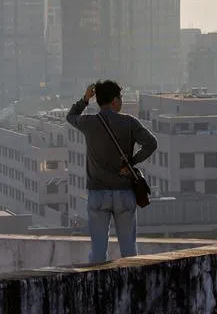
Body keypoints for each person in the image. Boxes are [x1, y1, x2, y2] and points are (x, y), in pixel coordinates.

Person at [66, 79, 158, 263]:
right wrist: (131, 163)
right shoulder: (129, 122)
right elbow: (151, 143)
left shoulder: (89, 122)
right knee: (129, 252)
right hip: (124, 192)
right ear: (115, 101)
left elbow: (71, 116)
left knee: (98, 252)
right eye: (121, 97)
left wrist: (85, 99)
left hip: (98, 193)